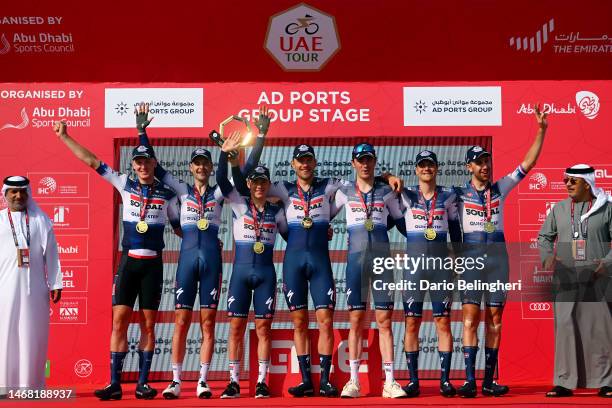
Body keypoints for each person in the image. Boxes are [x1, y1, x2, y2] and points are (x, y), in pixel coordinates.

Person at [233, 143, 402, 397]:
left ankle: (325, 380)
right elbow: (245, 182)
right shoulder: (282, 188)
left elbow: (363, 176)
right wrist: (250, 147)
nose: (304, 164)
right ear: (293, 164)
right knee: (299, 322)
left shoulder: (332, 185)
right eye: (300, 160)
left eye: (308, 160)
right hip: (294, 263)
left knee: (325, 321)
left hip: (320, 263)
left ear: (315, 163)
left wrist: (386, 176)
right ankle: (305, 381)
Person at [132, 104, 269, 399]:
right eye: (197, 164)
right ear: (191, 167)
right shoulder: (181, 189)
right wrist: (142, 132)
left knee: (208, 323)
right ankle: (176, 380)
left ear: (209, 166)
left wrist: (260, 136)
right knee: (181, 321)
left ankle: (203, 380)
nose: (202, 168)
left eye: (206, 164)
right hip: (186, 262)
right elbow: (153, 162)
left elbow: (245, 171)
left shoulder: (221, 191)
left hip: (211, 263)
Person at [53, 121, 180, 400]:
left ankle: (143, 383)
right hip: (129, 263)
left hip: (153, 266)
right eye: (138, 162)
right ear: (133, 165)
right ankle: (114, 384)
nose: (143, 166)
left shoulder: (168, 195)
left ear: (153, 163)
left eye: (147, 161)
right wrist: (65, 137)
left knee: (148, 325)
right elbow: (91, 160)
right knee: (119, 321)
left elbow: (181, 229)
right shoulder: (124, 183)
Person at [454, 106, 548, 397]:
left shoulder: (500, 188)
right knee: (470, 318)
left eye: (487, 161)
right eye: (479, 162)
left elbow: (527, 164)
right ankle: (469, 380)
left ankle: (488, 381)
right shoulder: (456, 195)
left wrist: (542, 130)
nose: (485, 165)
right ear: (469, 167)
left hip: (497, 261)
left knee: (496, 318)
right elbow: (423, 194)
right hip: (470, 261)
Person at [216, 133, 288, 399]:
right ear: (248, 183)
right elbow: (223, 181)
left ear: (268, 184)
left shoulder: (277, 211)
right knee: (235, 328)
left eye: (263, 182)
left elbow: (292, 237)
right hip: (240, 275)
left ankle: (261, 381)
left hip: (266, 275)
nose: (259, 186)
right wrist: (225, 154)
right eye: (255, 181)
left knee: (263, 329)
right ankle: (233, 381)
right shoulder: (238, 203)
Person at [332, 143, 406, 398]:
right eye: (360, 160)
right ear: (353, 163)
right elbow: (322, 216)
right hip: (356, 263)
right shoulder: (344, 190)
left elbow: (405, 224)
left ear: (375, 162)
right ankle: (353, 381)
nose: (365, 164)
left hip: (383, 263)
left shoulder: (387, 191)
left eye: (369, 159)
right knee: (356, 321)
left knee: (385, 322)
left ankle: (390, 382)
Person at [538, 164, 612, 398]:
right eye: (565, 181)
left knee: (600, 330)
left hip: (598, 277)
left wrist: (606, 263)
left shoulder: (607, 208)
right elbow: (544, 237)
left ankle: (606, 381)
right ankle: (564, 381)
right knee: (565, 327)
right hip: (566, 277)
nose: (567, 184)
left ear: (587, 183)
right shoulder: (559, 209)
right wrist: (547, 256)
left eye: (573, 181)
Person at [398, 150, 461, 398]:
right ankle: (413, 381)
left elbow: (455, 229)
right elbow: (393, 219)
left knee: (442, 322)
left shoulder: (448, 196)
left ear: (436, 169)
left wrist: (457, 256)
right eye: (422, 165)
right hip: (414, 268)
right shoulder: (406, 195)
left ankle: (445, 381)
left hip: (440, 269)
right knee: (411, 322)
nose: (426, 169)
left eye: (430, 165)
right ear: (416, 169)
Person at [0, 176, 62, 397]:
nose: (18, 196)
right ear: (5, 194)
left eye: (22, 192)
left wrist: (55, 283)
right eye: (13, 192)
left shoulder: (40, 220)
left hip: (34, 289)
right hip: (3, 290)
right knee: (3, 334)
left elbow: (52, 254)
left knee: (31, 334)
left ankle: (31, 386)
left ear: (28, 193)